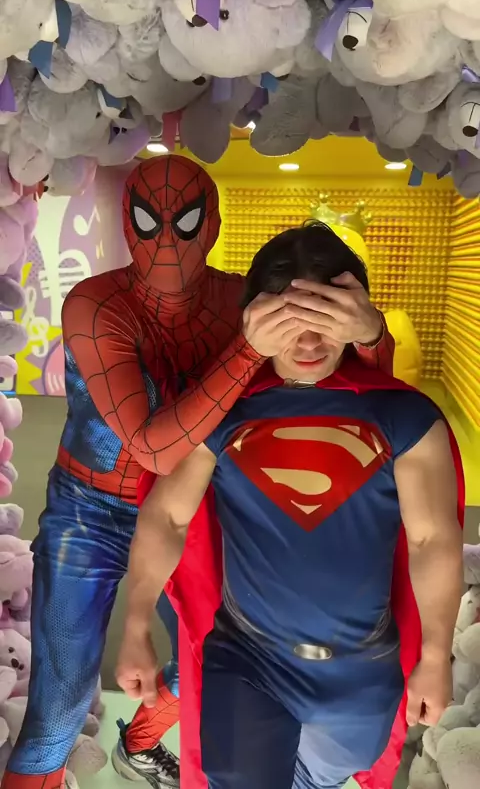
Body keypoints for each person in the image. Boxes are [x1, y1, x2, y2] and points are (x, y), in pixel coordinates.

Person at [2, 160, 394, 789]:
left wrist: (367, 331)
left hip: (197, 505)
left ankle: (139, 744)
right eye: (148, 221)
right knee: (59, 706)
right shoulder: (97, 303)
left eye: (183, 223)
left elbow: (355, 388)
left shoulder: (238, 300)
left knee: (216, 665)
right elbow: (151, 449)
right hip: (92, 509)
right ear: (126, 222)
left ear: (211, 224)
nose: (166, 241)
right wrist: (248, 347)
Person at [117, 223, 465, 789]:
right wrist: (135, 622)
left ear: (352, 316)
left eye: (324, 321)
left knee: (322, 778)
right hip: (248, 658)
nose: (307, 344)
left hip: (361, 670)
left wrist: (434, 654)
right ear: (256, 320)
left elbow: (432, 540)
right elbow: (168, 516)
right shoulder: (223, 414)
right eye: (288, 323)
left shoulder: (406, 417)